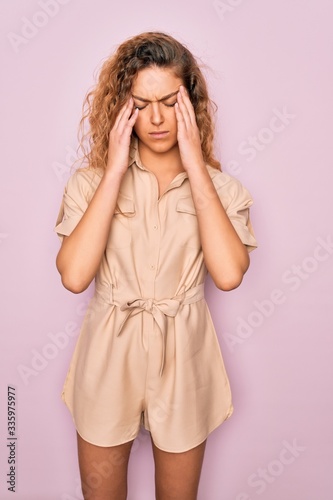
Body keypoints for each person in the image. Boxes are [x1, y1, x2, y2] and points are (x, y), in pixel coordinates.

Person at [54, 31, 257, 500]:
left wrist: (194, 161)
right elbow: (74, 276)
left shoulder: (222, 190)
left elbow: (228, 275)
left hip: (185, 355)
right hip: (108, 352)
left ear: (192, 103)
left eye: (170, 101)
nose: (158, 118)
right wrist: (115, 169)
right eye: (141, 104)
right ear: (123, 109)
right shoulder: (90, 185)